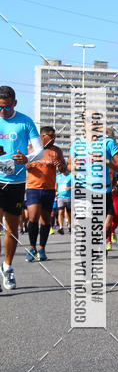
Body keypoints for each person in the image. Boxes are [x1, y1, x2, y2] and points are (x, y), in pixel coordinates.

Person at [0, 86, 44, 289]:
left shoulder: (25, 121)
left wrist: (27, 158)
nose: (2, 112)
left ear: (14, 103)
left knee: (12, 228)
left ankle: (7, 268)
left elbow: (40, 152)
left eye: (6, 107)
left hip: (15, 182)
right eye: (0, 108)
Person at [69, 110, 118, 250]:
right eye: (89, 119)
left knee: (107, 225)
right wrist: (73, 166)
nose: (93, 121)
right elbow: (68, 167)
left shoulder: (108, 143)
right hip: (83, 188)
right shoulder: (77, 144)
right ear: (84, 122)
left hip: (104, 190)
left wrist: (106, 161)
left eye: (96, 118)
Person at [24, 126, 67, 261]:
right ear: (42, 136)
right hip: (33, 188)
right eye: (51, 136)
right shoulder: (31, 149)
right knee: (33, 217)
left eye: (55, 136)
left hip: (49, 190)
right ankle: (32, 247)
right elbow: (21, 165)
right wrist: (27, 165)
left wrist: (60, 165)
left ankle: (42, 248)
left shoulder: (56, 151)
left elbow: (65, 170)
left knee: (45, 220)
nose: (53, 139)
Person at [56, 169, 72, 234]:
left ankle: (69, 225)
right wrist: (56, 191)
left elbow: (76, 184)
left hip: (69, 197)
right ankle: (61, 227)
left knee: (69, 213)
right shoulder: (58, 177)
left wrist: (70, 188)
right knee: (60, 212)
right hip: (60, 197)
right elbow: (56, 185)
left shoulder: (71, 176)